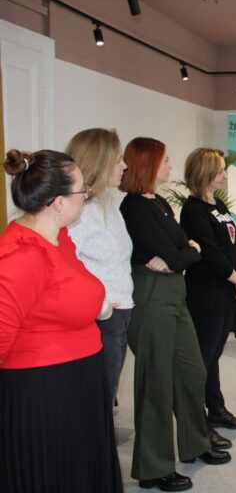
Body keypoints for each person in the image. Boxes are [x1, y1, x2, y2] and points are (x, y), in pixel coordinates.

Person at [0, 149, 123, 492]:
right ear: (58, 203)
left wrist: (97, 306)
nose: (86, 196)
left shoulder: (59, 238)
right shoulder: (22, 254)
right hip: (44, 392)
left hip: (78, 379)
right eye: (82, 190)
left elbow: (67, 294)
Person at [120, 137, 231, 492]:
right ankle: (154, 468)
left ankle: (195, 443)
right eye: (165, 160)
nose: (170, 165)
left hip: (175, 294)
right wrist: (183, 252)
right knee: (156, 384)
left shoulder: (160, 203)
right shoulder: (134, 207)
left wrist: (184, 252)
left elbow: (185, 249)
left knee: (192, 371)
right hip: (152, 298)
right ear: (149, 165)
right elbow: (177, 254)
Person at [180, 148, 236, 449]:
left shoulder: (218, 204)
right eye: (220, 170)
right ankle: (199, 422)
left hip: (226, 289)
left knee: (214, 353)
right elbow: (210, 254)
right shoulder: (193, 210)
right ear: (205, 173)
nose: (225, 175)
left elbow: (235, 245)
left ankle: (217, 409)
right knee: (203, 357)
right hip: (206, 292)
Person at [66, 128, 133, 407]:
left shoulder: (107, 202)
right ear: (99, 162)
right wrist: (101, 305)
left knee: (107, 395)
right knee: (97, 401)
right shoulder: (80, 211)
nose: (124, 165)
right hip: (101, 317)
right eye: (118, 160)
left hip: (119, 313)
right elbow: (65, 265)